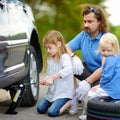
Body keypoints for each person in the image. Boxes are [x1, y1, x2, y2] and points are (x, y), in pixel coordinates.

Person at [65, 4, 110, 114]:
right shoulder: (84, 35)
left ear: (100, 22)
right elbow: (66, 47)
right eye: (85, 21)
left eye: (90, 22)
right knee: (67, 61)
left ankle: (85, 93)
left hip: (104, 76)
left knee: (95, 98)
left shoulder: (107, 38)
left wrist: (87, 82)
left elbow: (105, 68)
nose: (86, 25)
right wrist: (73, 57)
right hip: (88, 70)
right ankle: (74, 97)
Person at [79, 32, 120, 120]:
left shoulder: (109, 61)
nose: (105, 53)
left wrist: (99, 85)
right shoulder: (117, 58)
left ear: (115, 48)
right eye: (103, 50)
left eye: (108, 50)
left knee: (91, 93)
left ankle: (88, 114)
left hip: (111, 89)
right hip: (117, 88)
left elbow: (106, 77)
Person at [36, 30, 74, 117]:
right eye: (46, 48)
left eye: (49, 48)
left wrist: (53, 77)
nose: (48, 50)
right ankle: (54, 102)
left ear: (59, 44)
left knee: (52, 112)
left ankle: (70, 101)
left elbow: (68, 69)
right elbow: (49, 74)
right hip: (52, 92)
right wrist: (45, 80)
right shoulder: (50, 60)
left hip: (63, 92)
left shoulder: (64, 57)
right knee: (40, 109)